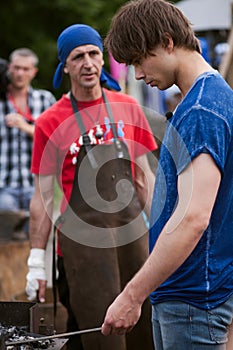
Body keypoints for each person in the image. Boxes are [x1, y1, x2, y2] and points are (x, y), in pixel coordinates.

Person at [101, 0, 233, 349]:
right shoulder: (209, 99)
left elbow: (193, 218)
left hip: (192, 303)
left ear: (167, 41)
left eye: (138, 61)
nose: (139, 75)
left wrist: (132, 296)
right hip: (191, 297)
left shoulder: (202, 109)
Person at [25, 24, 157, 350]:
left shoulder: (127, 107)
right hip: (81, 248)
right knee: (100, 338)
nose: (88, 63)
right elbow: (42, 199)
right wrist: (35, 262)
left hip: (132, 240)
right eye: (78, 56)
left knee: (145, 335)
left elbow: (145, 181)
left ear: (103, 58)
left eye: (94, 53)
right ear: (65, 66)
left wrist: (162, 236)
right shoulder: (50, 122)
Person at [0, 48, 56, 226]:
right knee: (7, 244)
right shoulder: (1, 101)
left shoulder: (45, 100)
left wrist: (25, 127)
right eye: (16, 68)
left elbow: (57, 139)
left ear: (34, 72)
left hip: (37, 185)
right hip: (4, 186)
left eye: (25, 69)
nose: (19, 73)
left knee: (34, 244)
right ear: (9, 68)